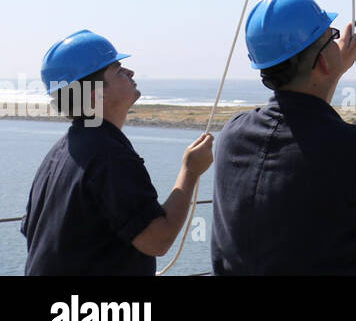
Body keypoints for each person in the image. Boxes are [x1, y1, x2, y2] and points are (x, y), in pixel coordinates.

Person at [209, 0, 356, 275]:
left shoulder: (232, 135)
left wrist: (331, 66)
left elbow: (303, 123)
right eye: (330, 37)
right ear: (322, 62)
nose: (337, 41)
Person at [22, 30, 213, 275]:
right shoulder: (108, 155)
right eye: (118, 70)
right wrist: (190, 171)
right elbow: (157, 239)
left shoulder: (60, 153)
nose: (131, 73)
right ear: (95, 95)